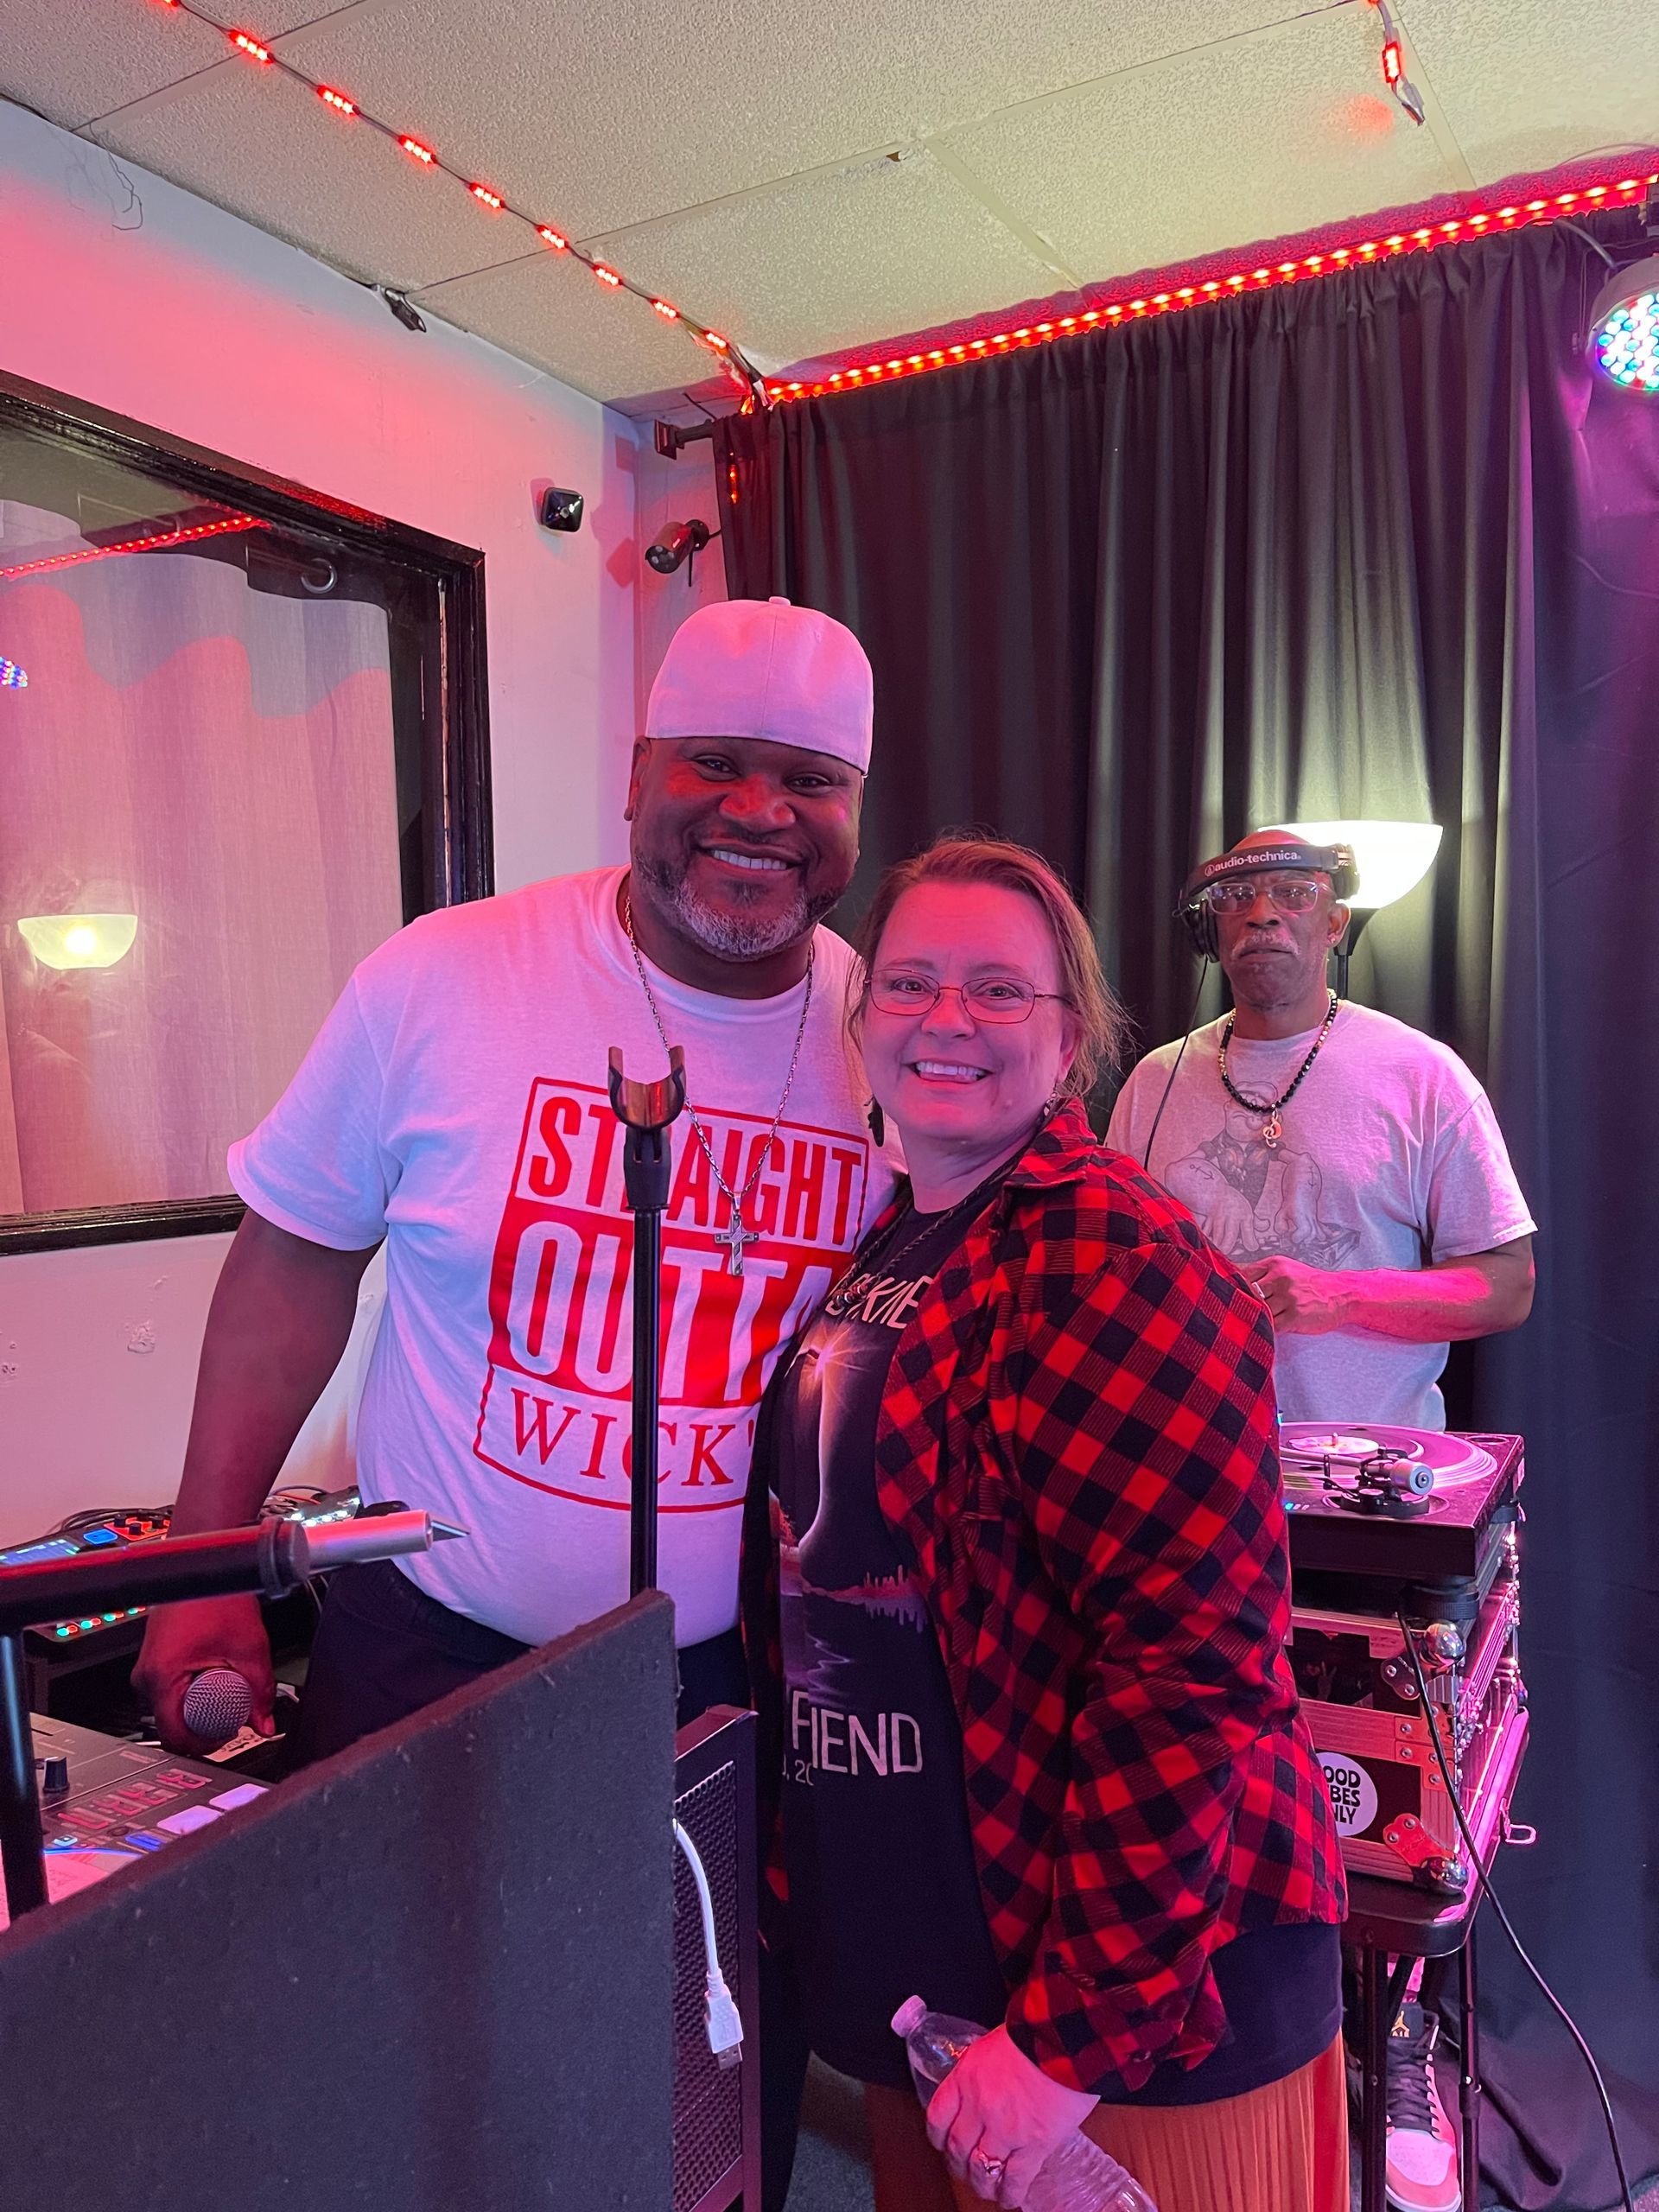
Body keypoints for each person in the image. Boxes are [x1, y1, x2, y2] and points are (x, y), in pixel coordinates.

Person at [133, 594, 893, 2211]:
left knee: (702, 2091)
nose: (759, 812)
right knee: (404, 2075)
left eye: (809, 780)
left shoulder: (890, 1038)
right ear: (637, 773)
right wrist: (206, 1567)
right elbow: (288, 1271)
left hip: (742, 1683)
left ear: (853, 815)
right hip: (430, 1649)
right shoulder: (447, 979)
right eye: (717, 763)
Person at [741, 834, 1349, 2212]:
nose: (945, 1020)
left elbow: (1190, 1672)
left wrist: (1072, 2036)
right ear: (862, 1019)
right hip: (947, 1990)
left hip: (1129, 2026)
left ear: (1073, 1035)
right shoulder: (907, 1237)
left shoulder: (1112, 1259)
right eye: (908, 983)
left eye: (997, 991)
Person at [1108, 827, 1536, 2212]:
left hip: (1371, 1514)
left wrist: (1341, 1298)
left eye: (1291, 899)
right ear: (1210, 932)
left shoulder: (1420, 1076)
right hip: (1186, 1499)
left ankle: (1397, 2035)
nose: (1263, 923)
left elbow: (1507, 1287)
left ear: (1337, 923)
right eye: (1235, 905)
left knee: (1380, 1799)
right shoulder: (1158, 1086)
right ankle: (1238, 2044)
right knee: (1206, 1785)